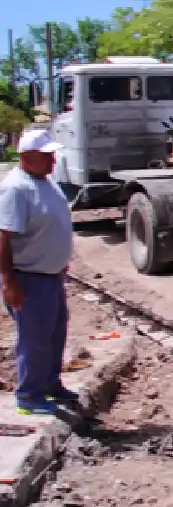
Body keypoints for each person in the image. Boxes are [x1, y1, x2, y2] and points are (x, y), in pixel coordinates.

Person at [0, 128, 75, 415]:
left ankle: (50, 384)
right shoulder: (15, 188)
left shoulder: (46, 181)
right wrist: (9, 281)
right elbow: (4, 236)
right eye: (47, 156)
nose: (53, 161)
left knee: (55, 333)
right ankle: (28, 394)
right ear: (28, 157)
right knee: (35, 339)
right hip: (29, 278)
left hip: (50, 276)